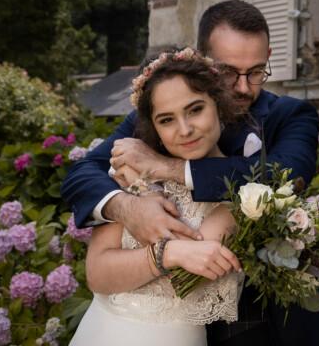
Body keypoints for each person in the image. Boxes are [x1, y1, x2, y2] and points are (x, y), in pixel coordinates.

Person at [61, 0, 319, 345]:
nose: (242, 87)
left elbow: (282, 177)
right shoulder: (162, 111)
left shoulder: (292, 114)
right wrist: (128, 207)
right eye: (228, 72)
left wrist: (166, 167)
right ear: (204, 62)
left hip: (275, 323)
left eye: (256, 71)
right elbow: (84, 173)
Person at [70, 49, 245, 346]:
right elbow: (98, 275)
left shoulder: (240, 193)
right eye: (166, 120)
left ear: (218, 103)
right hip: (100, 333)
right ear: (153, 128)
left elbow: (186, 277)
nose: (185, 129)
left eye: (195, 110)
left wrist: (148, 192)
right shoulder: (132, 175)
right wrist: (170, 249)